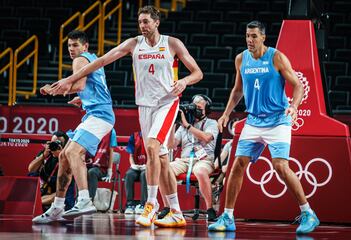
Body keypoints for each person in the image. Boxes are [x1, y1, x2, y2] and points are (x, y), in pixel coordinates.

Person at [47, 5, 203, 228]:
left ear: (157, 22)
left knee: (150, 147)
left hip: (167, 103)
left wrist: (184, 81)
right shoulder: (134, 44)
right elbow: (100, 61)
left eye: (147, 21)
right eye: (140, 22)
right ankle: (176, 212)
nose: (143, 26)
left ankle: (151, 204)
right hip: (144, 106)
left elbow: (198, 73)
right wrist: (69, 81)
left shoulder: (172, 43)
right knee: (159, 158)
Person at [208, 21, 319, 235]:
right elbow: (238, 89)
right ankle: (228, 216)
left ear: (263, 38)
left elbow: (298, 85)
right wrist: (225, 113)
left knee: (280, 166)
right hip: (253, 121)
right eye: (247, 36)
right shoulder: (241, 58)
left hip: (278, 120)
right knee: (238, 164)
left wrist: (294, 106)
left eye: (254, 36)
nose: (250, 40)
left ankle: (308, 213)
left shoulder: (276, 57)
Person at [33, 30, 115, 224]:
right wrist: (83, 99)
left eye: (75, 45)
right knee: (63, 156)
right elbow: (90, 87)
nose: (71, 49)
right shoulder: (93, 59)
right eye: (69, 46)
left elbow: (78, 84)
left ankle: (85, 199)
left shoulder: (80, 59)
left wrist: (52, 89)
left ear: (85, 46)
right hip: (95, 113)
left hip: (100, 115)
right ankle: (58, 207)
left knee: (73, 153)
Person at [160, 94, 219, 221]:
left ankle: (210, 209)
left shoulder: (211, 123)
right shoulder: (182, 126)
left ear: (206, 110)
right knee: (162, 169)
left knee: (200, 171)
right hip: (184, 160)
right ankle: (168, 207)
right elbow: (171, 145)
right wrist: (173, 124)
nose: (195, 110)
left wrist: (187, 125)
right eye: (194, 107)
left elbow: (207, 138)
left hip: (204, 160)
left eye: (199, 107)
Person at [28, 131, 75, 211]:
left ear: (65, 145)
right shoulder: (46, 153)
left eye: (58, 143)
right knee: (31, 176)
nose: (55, 145)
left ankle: (34, 202)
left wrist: (61, 157)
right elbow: (31, 169)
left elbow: (70, 175)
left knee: (61, 194)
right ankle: (38, 202)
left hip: (61, 191)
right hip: (46, 188)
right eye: (53, 142)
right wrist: (43, 156)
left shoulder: (68, 156)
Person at [124, 131, 147, 215]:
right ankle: (130, 205)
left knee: (144, 175)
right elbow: (131, 155)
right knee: (129, 175)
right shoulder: (134, 136)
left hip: (147, 167)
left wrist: (147, 166)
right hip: (136, 166)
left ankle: (143, 205)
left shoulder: (151, 136)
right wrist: (133, 165)